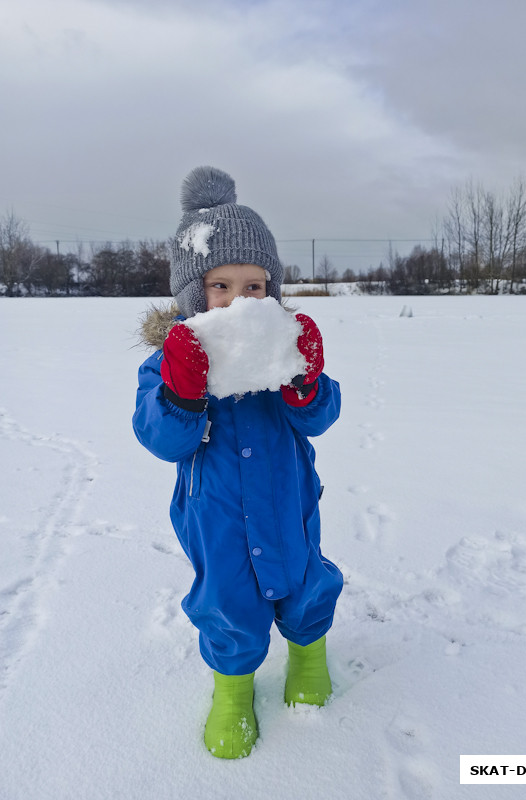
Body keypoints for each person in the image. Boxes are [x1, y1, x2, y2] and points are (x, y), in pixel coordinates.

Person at [132, 166, 343, 759]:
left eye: (254, 287)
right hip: (215, 509)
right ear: (195, 293)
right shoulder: (171, 358)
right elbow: (161, 438)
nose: (238, 300)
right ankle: (234, 686)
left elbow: (320, 416)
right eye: (221, 286)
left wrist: (306, 382)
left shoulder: (283, 347)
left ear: (270, 292)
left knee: (304, 577)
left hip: (286, 499)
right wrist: (180, 392)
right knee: (228, 597)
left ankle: (308, 653)